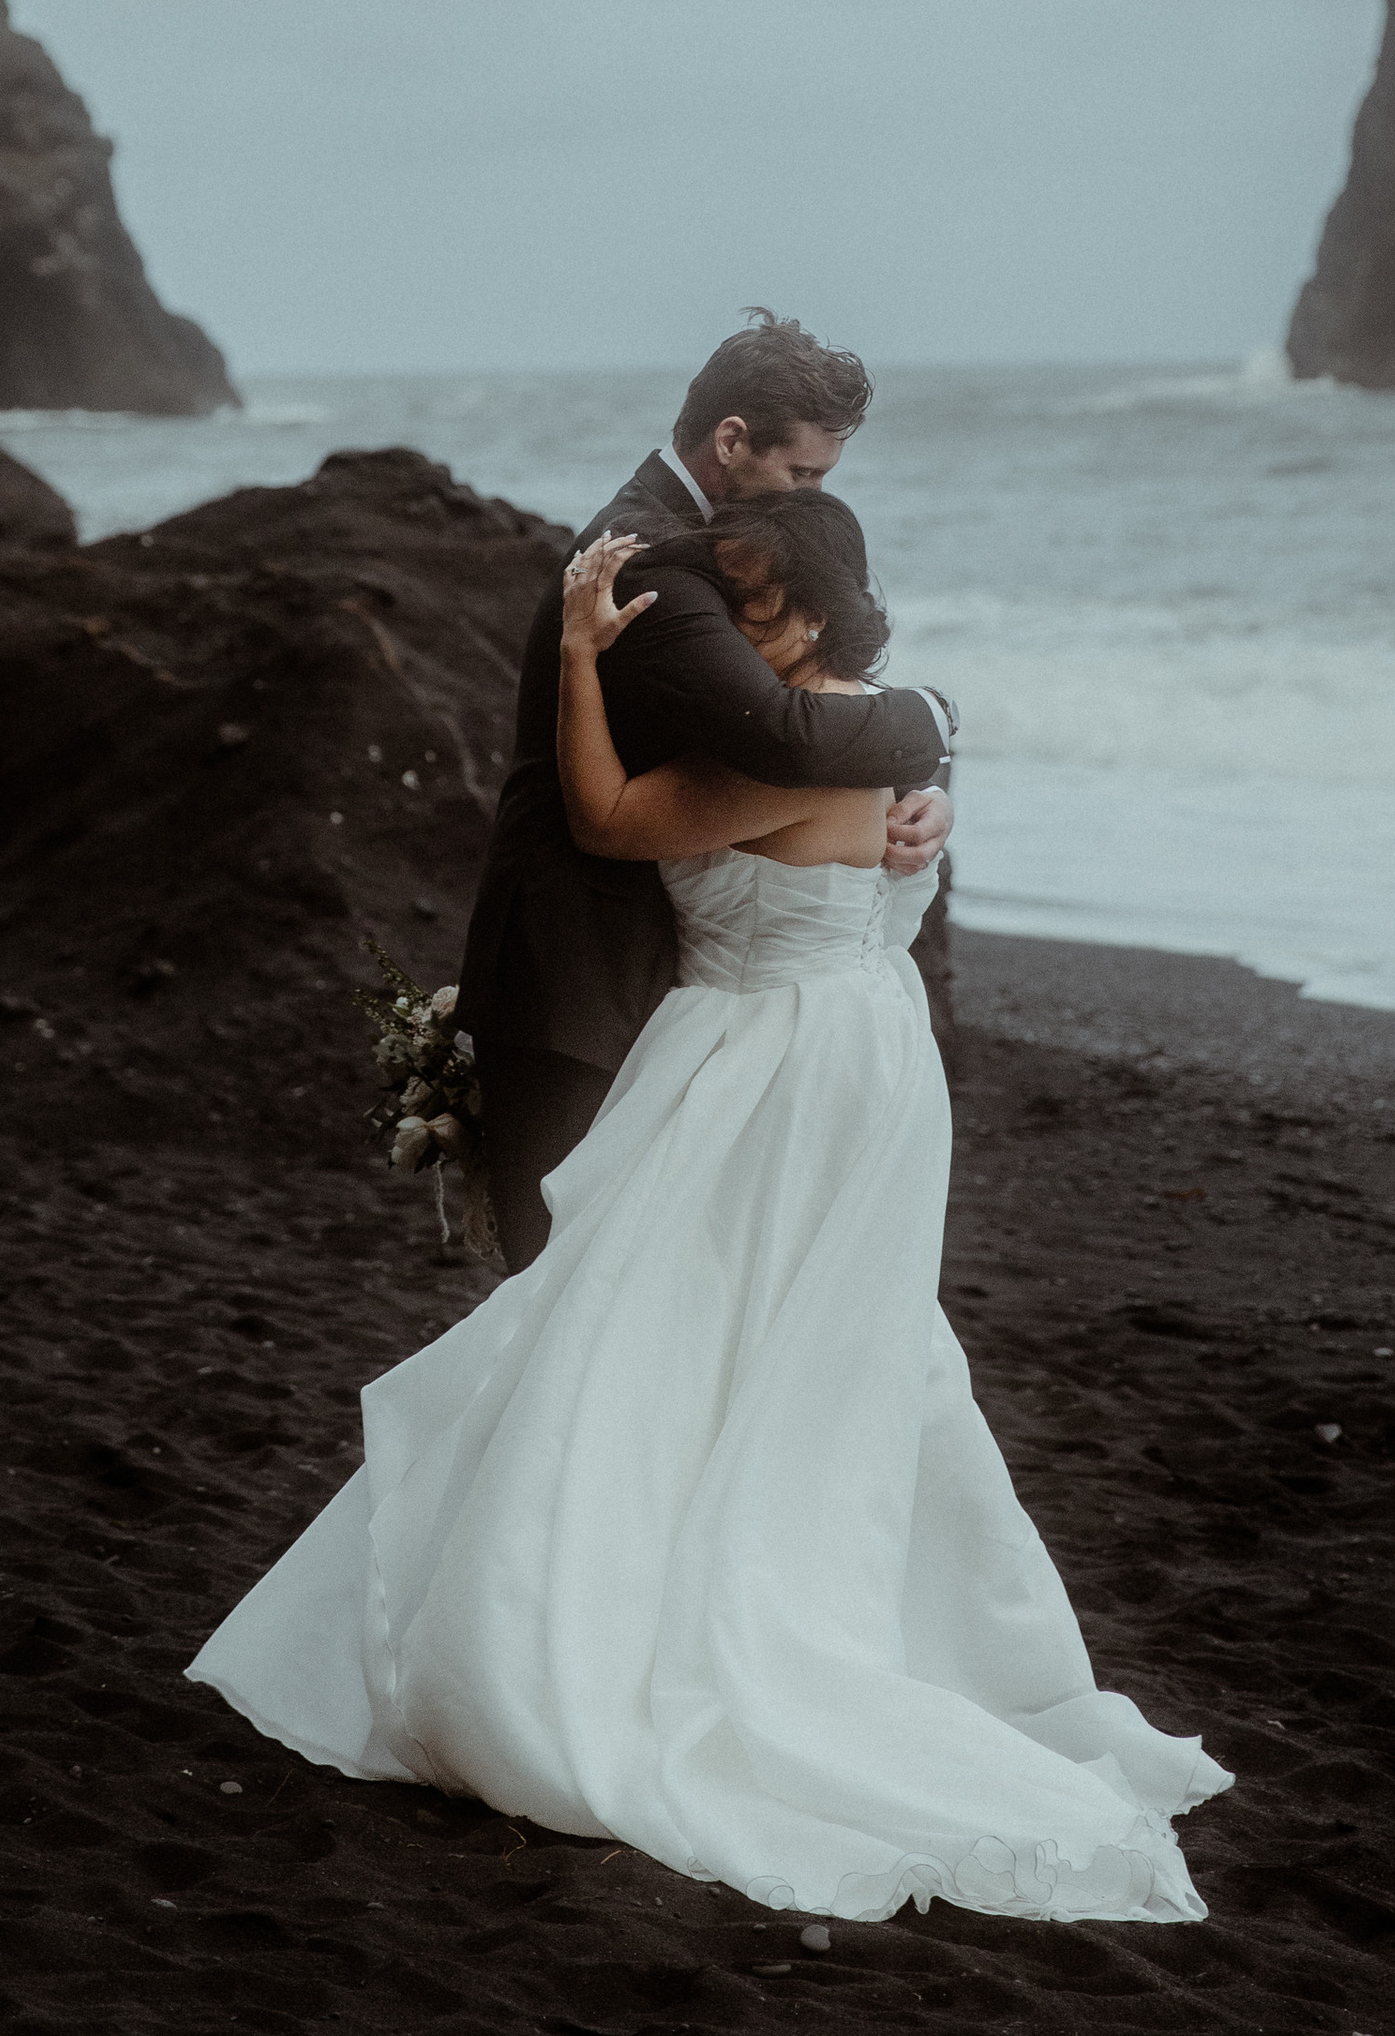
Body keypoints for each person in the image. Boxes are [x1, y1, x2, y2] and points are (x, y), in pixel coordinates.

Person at [186, 497, 1229, 1924]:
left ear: (812, 608)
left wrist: (570, 653)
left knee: (657, 1322)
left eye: (751, 608)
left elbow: (612, 822)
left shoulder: (814, 749)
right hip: (842, 1054)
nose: (729, 638)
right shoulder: (866, 732)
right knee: (763, 1335)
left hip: (768, 1066)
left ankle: (656, 1617)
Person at [455, 310, 954, 1267]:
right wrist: (938, 719)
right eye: (801, 474)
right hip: (584, 969)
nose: (807, 500)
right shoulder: (652, 557)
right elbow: (781, 730)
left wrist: (921, 784)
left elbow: (811, 692)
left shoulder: (702, 540)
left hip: (662, 962)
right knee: (564, 1281)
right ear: (732, 440)